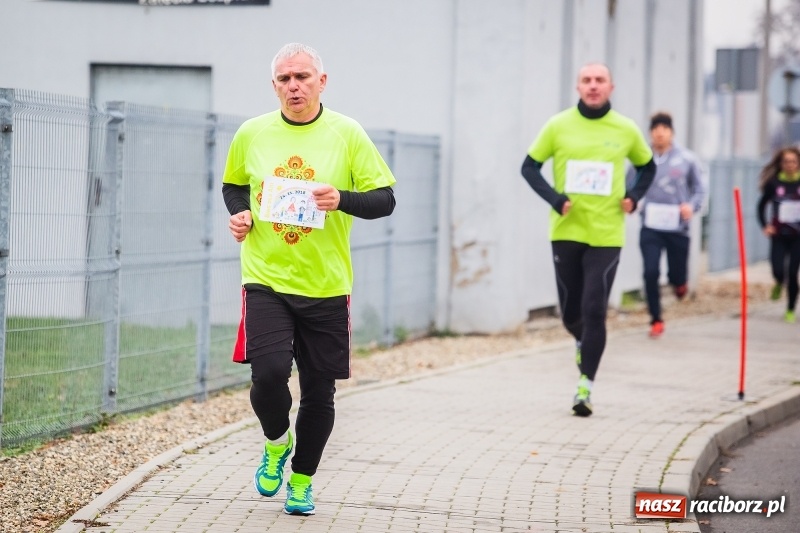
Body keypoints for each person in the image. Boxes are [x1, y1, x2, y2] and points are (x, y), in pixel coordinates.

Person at [221, 42, 396, 516]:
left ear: (322, 81)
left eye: (302, 77)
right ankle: (276, 442)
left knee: (320, 392)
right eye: (284, 79)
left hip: (325, 285)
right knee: (270, 374)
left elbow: (385, 199)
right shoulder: (253, 132)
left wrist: (341, 198)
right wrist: (239, 214)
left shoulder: (347, 133)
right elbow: (233, 184)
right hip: (266, 278)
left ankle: (301, 479)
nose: (293, 86)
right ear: (274, 86)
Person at [520, 63, 655, 417]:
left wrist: (634, 196)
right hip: (566, 231)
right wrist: (556, 199)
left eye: (599, 80)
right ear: (578, 86)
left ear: (611, 86)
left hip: (607, 233)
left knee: (594, 309)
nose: (593, 86)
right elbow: (529, 167)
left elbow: (648, 166)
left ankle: (585, 387)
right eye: (587, 80)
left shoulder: (625, 129)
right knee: (570, 314)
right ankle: (581, 341)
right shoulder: (558, 125)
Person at [630, 112, 706, 338]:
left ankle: (680, 284)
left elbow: (700, 189)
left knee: (676, 274)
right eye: (655, 129)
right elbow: (629, 187)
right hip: (651, 226)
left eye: (664, 129)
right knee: (650, 271)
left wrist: (691, 207)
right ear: (650, 133)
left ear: (671, 132)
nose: (659, 133)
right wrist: (634, 202)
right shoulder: (641, 159)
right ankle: (656, 319)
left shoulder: (687, 159)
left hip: (677, 228)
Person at [756, 146, 800, 323]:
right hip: (779, 235)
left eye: (793, 162)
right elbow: (761, 206)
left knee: (792, 272)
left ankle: (790, 309)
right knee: (778, 269)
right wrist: (765, 225)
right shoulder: (774, 183)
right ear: (781, 164)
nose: (790, 165)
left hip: (798, 236)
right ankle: (778, 281)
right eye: (786, 161)